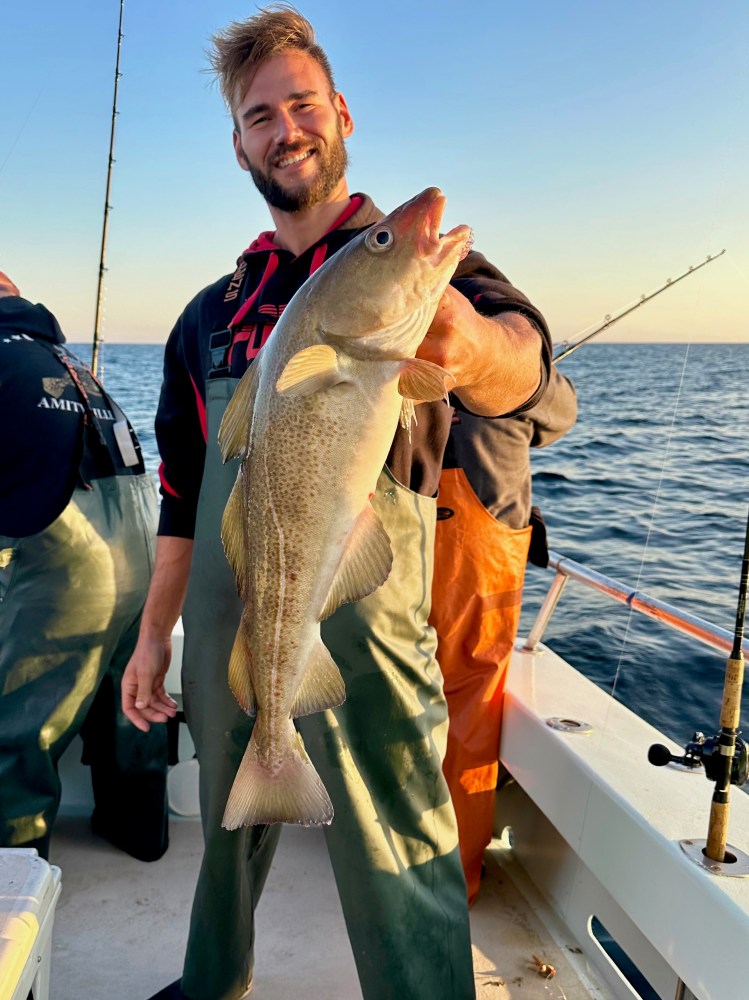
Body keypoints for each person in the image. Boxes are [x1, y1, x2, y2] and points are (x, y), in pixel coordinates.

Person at [121, 7, 552, 999]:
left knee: (400, 846)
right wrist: (152, 641)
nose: (285, 129)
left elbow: (524, 367)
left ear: (340, 111)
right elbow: (183, 502)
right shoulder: (207, 315)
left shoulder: (413, 269)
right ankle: (209, 985)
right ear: (237, 141)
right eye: (258, 114)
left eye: (301, 103)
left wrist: (473, 350)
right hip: (232, 618)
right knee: (224, 839)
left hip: (370, 620)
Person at [0, 270, 169, 863]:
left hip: (69, 565)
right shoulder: (72, 364)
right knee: (131, 705)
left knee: (21, 729)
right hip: (141, 550)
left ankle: (13, 881)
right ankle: (140, 828)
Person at [430, 367, 577, 905]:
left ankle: (375, 865)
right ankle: (452, 880)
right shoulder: (501, 324)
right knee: (470, 706)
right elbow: (559, 412)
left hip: (397, 533)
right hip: (481, 546)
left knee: (389, 694)